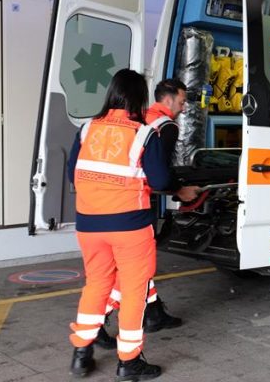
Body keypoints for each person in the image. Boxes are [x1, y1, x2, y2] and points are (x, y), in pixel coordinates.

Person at [67, 69, 166, 379]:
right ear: (140, 98)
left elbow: (72, 174)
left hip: (89, 225)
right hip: (130, 225)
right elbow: (161, 180)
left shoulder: (87, 129)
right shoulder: (144, 133)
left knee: (96, 284)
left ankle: (81, 354)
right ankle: (129, 362)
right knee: (134, 290)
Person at [97, 79, 198, 349]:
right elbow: (158, 174)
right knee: (136, 267)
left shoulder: (139, 117)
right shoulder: (166, 126)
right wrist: (179, 190)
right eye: (181, 101)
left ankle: (153, 314)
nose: (183, 107)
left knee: (134, 266)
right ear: (168, 99)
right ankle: (99, 320)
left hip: (106, 202)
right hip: (136, 203)